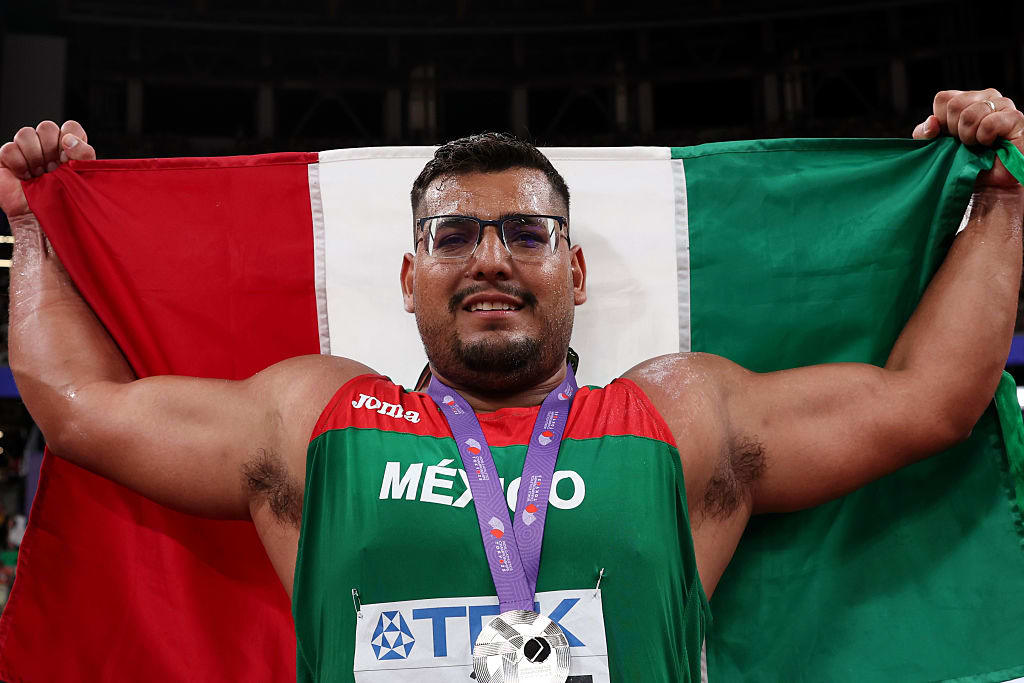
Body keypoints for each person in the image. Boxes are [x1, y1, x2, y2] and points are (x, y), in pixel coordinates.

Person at [1, 87, 1022, 682]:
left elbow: (928, 396)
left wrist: (1000, 193)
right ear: (410, 277)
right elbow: (78, 406)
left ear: (571, 271)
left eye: (527, 232)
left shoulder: (676, 417)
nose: (490, 256)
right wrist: (39, 226)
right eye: (453, 235)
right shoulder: (319, 419)